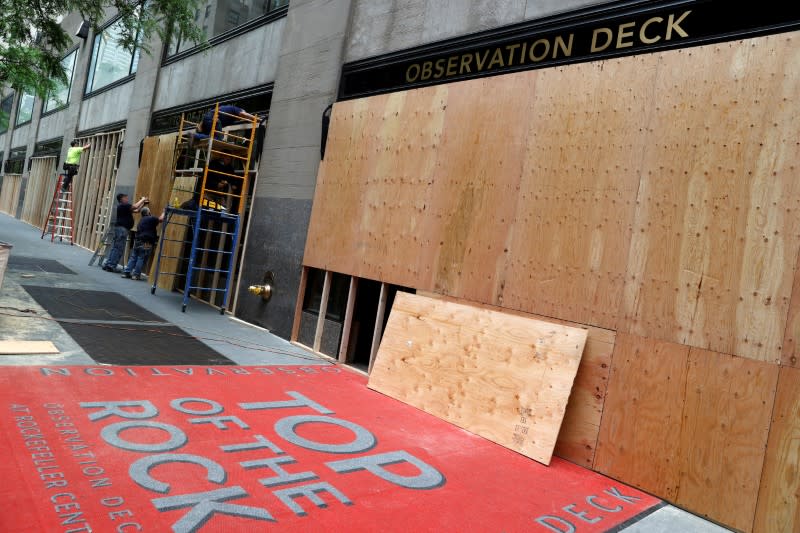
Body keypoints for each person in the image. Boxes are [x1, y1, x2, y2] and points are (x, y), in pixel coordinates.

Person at [103, 193, 148, 272]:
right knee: (118, 248)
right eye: (126, 198)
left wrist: (143, 204)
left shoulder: (124, 207)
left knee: (115, 247)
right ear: (122, 199)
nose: (127, 199)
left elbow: (137, 210)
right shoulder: (124, 205)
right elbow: (135, 206)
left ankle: (109, 264)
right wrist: (143, 199)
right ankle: (111, 266)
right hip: (122, 229)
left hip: (120, 229)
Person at [122, 207, 164, 280]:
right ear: (148, 213)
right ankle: (136, 275)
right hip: (146, 242)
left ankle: (127, 272)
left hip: (138, 241)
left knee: (134, 257)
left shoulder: (141, 220)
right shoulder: (150, 218)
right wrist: (165, 211)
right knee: (141, 258)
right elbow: (161, 219)